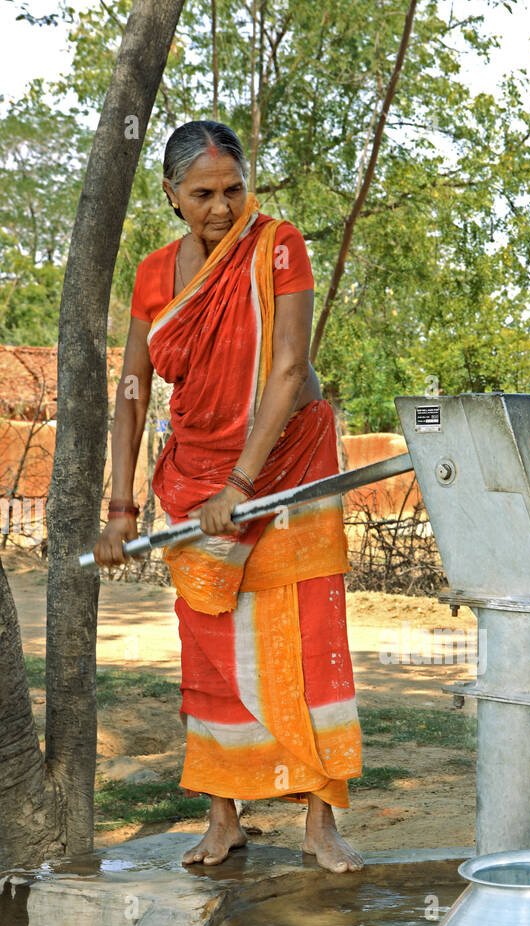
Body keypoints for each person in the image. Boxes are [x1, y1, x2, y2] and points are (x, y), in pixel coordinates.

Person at [94, 120, 364, 873]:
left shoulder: (278, 245)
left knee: (309, 640)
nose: (222, 207)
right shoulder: (153, 274)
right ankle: (223, 819)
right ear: (172, 196)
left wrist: (241, 483)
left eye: (234, 189)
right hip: (192, 477)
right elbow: (132, 391)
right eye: (204, 194)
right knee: (209, 646)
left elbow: (288, 369)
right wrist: (121, 509)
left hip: (289, 465)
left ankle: (321, 822)